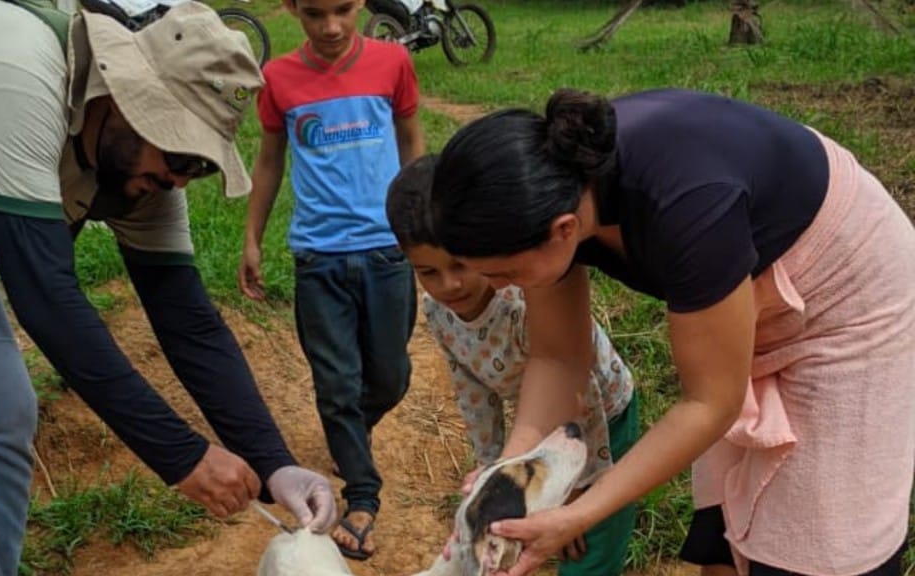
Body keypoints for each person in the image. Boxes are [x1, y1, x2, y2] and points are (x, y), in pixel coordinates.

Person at [0, 2, 336, 574]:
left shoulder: (141, 172)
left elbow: (187, 320)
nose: (180, 176)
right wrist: (182, 457)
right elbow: (46, 300)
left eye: (199, 165)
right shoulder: (15, 71)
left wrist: (275, 465)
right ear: (127, 96)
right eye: (178, 152)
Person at [430, 88, 915, 576]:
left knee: (818, 538)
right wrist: (507, 472)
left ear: (564, 229)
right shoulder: (548, 190)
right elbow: (557, 358)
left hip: (848, 295)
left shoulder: (687, 205)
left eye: (505, 274)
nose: (495, 288)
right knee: (727, 522)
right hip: (744, 283)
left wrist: (581, 512)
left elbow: (710, 404)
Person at [386, 155, 639, 576]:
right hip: (536, 425)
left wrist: (576, 491)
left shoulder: (523, 301)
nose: (449, 284)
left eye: (461, 265)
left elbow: (585, 395)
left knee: (590, 543)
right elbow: (471, 389)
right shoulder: (438, 311)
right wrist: (492, 466)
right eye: (428, 272)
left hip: (600, 423)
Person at [237, 0, 425, 561]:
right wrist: (252, 236)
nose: (332, 27)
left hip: (386, 251)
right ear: (292, 8)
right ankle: (362, 498)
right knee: (337, 383)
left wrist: (422, 222)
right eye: (315, 13)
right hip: (318, 258)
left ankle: (350, 436)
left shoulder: (393, 62)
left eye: (343, 9)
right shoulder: (279, 78)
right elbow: (270, 159)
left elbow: (412, 142)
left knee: (390, 377)